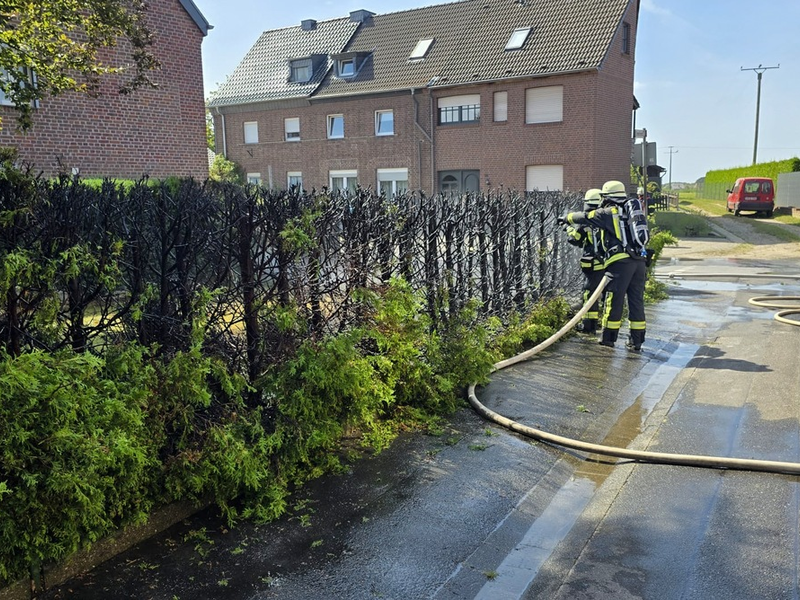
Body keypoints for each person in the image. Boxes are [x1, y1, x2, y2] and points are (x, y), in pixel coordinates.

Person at [558, 180, 647, 351]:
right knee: (636, 301)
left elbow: (585, 217)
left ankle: (608, 338)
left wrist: (566, 218)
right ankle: (636, 340)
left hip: (620, 263)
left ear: (607, 197)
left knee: (614, 299)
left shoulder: (608, 212)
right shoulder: (628, 211)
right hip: (639, 261)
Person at [564, 188, 604, 335]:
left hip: (593, 264)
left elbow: (577, 239)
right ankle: (603, 324)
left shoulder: (585, 220)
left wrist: (567, 229)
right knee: (606, 295)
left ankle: (589, 326)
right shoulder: (605, 217)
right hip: (608, 263)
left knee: (589, 293)